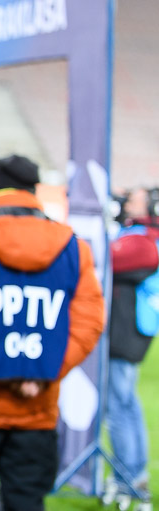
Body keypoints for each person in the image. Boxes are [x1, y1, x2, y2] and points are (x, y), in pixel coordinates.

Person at [0, 155, 105, 511]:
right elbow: (89, 321)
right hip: (36, 409)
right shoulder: (72, 245)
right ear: (33, 191)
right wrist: (40, 370)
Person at [103, 187, 158, 507]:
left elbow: (106, 256)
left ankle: (128, 478)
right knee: (126, 403)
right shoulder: (141, 236)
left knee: (119, 406)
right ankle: (134, 474)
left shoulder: (143, 241)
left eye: (133, 199)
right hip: (129, 331)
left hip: (124, 333)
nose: (126, 204)